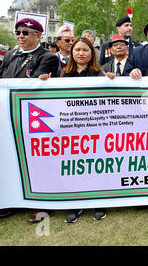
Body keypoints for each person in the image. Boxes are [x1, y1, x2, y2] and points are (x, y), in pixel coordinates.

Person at [0, 18, 59, 224]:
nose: (20, 36)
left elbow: (30, 86)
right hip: (7, 114)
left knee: (37, 161)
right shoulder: (10, 54)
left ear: (38, 36)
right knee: (8, 157)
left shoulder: (47, 57)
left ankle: (43, 204)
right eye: (18, 32)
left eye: (26, 33)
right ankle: (9, 201)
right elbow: (0, 81)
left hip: (35, 118)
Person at [39, 37, 109, 222]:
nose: (81, 53)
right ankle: (75, 202)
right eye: (77, 49)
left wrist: (112, 80)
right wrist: (44, 81)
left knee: (94, 166)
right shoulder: (62, 74)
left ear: (91, 53)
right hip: (69, 130)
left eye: (85, 50)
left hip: (94, 128)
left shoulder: (100, 74)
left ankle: (98, 201)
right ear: (72, 53)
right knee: (74, 167)